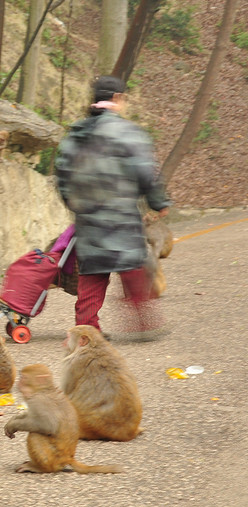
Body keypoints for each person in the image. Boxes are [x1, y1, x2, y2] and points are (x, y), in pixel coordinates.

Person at [54, 75, 172, 335]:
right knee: (132, 266)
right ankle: (145, 323)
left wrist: (74, 204)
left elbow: (61, 174)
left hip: (87, 216)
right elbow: (145, 172)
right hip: (121, 215)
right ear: (118, 98)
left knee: (93, 275)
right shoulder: (128, 133)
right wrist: (158, 202)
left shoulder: (75, 134)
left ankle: (86, 330)